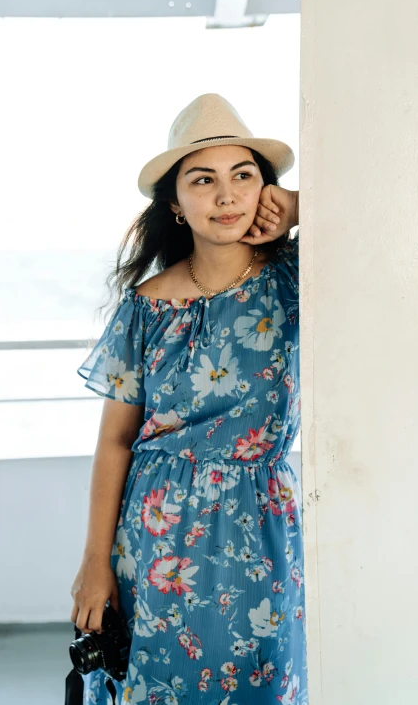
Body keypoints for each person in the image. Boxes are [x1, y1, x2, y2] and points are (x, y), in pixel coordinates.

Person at [70, 93, 306, 705]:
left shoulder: (299, 275)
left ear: (265, 190)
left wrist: (302, 208)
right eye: (203, 180)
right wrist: (95, 563)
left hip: (263, 524)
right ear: (176, 203)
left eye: (244, 176)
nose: (226, 196)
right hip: (156, 531)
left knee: (265, 683)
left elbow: (391, 210)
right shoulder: (146, 305)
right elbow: (116, 439)